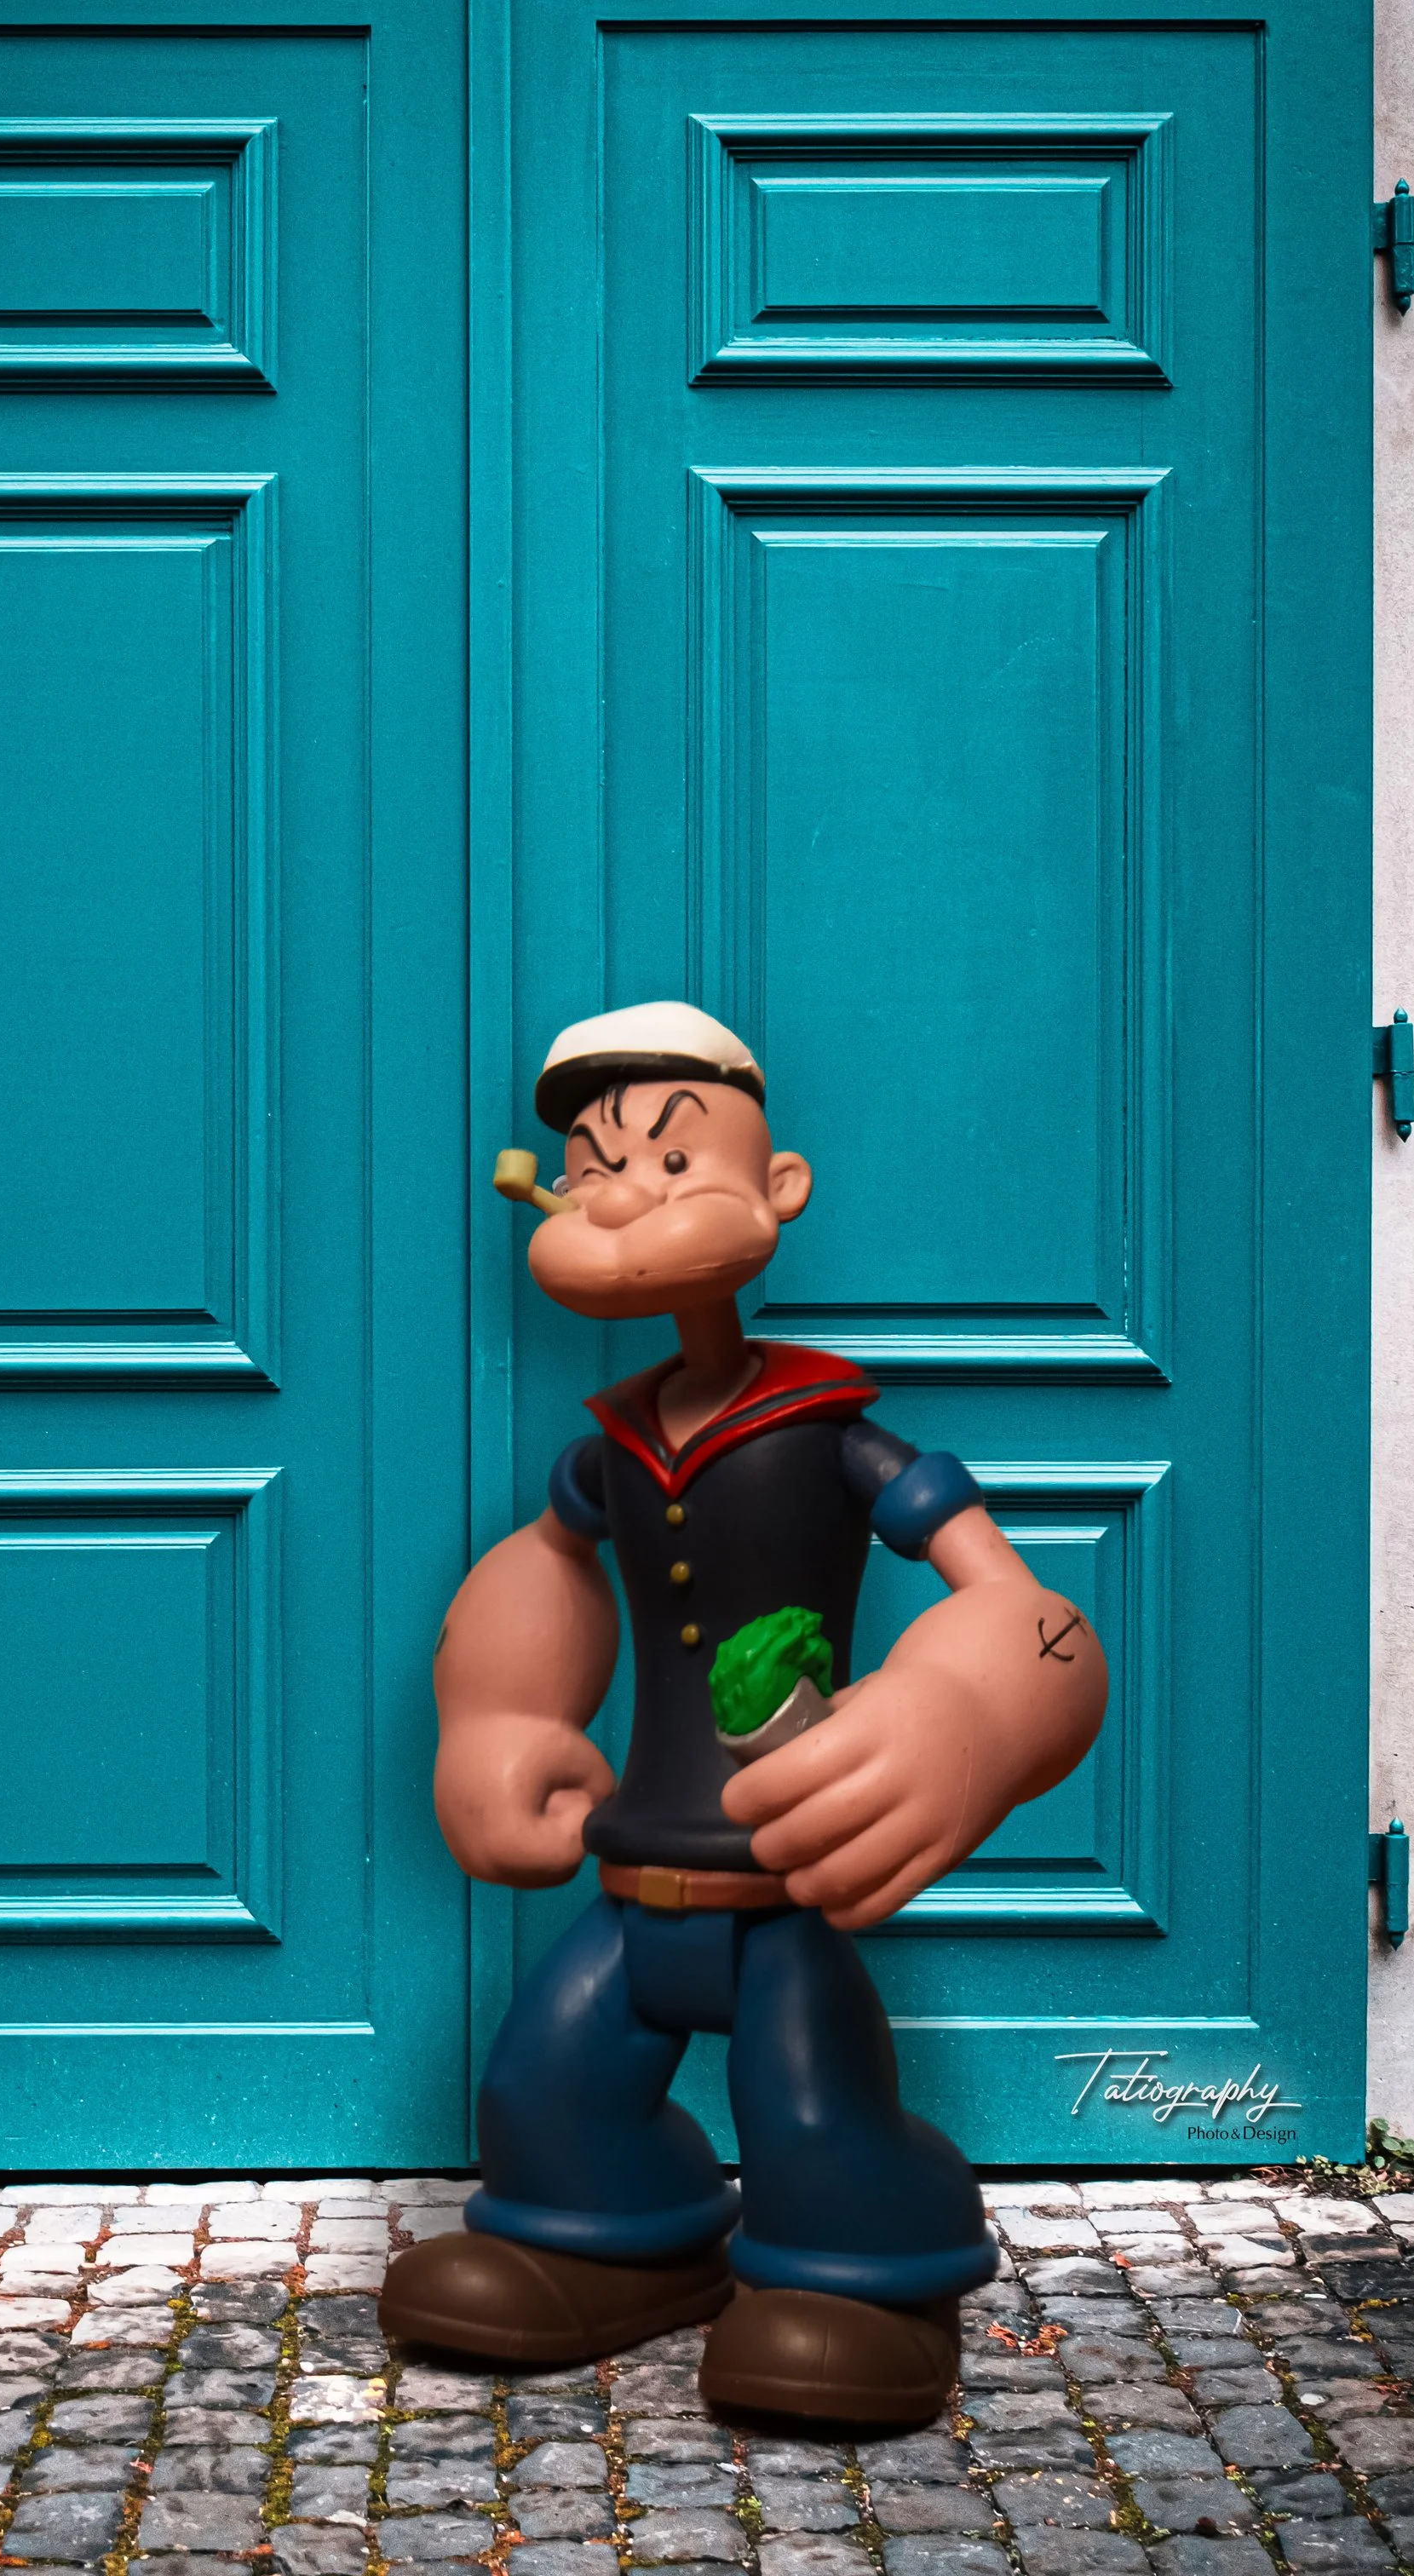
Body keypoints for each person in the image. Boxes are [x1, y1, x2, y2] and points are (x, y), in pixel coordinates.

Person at [381, 1002, 1108, 2426]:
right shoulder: (613, 1449)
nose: (620, 1195)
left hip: (782, 1889)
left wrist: (964, 1711)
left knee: (811, 2118)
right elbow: (543, 1572)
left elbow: (1031, 1615)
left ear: (779, 1190)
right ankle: (605, 2239)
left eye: (668, 1159)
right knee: (541, 2092)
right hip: (639, 1872)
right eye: (590, 1167)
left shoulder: (838, 1434)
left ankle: (863, 2271)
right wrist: (492, 1716)